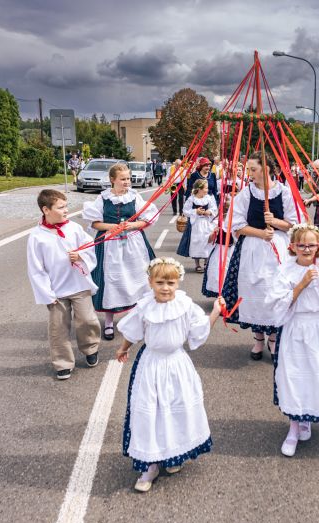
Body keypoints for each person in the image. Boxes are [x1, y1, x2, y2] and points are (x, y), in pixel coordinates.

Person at [116, 258, 225, 492]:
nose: (165, 288)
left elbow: (199, 330)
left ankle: (174, 454)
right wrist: (123, 348)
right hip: (151, 366)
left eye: (171, 283)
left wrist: (216, 311)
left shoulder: (186, 305)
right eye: (160, 283)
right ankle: (150, 465)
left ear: (178, 283)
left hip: (177, 366)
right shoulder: (144, 307)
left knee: (178, 410)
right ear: (150, 282)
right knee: (151, 412)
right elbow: (133, 332)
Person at [265, 223, 319, 456]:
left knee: (316, 375)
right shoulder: (285, 270)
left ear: (318, 246)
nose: (306, 249)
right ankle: (293, 428)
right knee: (293, 377)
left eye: (311, 245)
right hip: (295, 327)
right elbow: (276, 304)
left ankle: (307, 419)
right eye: (301, 245)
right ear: (293, 246)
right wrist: (302, 283)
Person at [222, 151, 297, 360]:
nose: (249, 173)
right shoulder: (246, 194)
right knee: (254, 291)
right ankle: (258, 339)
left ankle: (273, 339)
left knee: (275, 292)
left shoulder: (284, 193)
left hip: (278, 249)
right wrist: (261, 233)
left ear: (267, 169)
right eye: (248, 169)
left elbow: (293, 223)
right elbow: (236, 225)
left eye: (253, 169)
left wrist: (275, 222)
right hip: (252, 249)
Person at [27, 189, 100, 380]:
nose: (66, 210)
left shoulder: (74, 228)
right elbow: (36, 269)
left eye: (66, 206)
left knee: (87, 320)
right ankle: (63, 363)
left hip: (79, 284)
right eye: (61, 207)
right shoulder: (37, 236)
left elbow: (89, 247)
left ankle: (91, 348)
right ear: (46, 210)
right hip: (56, 291)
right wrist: (46, 293)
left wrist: (80, 256)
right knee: (58, 328)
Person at [83, 163, 158, 341]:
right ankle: (109, 322)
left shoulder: (134, 196)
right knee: (111, 282)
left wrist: (133, 225)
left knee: (138, 279)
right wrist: (113, 227)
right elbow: (94, 223)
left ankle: (139, 319)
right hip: (109, 245)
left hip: (134, 244)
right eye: (123, 179)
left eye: (128, 178)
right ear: (112, 180)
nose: (127, 182)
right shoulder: (102, 198)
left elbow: (148, 218)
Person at [176, 179, 217, 273]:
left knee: (207, 242)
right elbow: (185, 211)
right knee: (196, 242)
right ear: (199, 189)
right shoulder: (192, 199)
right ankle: (197, 264)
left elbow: (214, 208)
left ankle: (206, 263)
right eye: (205, 188)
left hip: (207, 223)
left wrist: (209, 212)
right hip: (196, 224)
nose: (207, 190)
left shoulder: (209, 198)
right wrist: (196, 211)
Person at [202, 197, 234, 298]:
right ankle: (219, 294)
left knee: (230, 271)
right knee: (217, 272)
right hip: (220, 250)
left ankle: (229, 295)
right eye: (226, 209)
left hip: (232, 251)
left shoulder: (236, 222)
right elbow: (208, 240)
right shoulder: (217, 222)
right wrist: (214, 233)